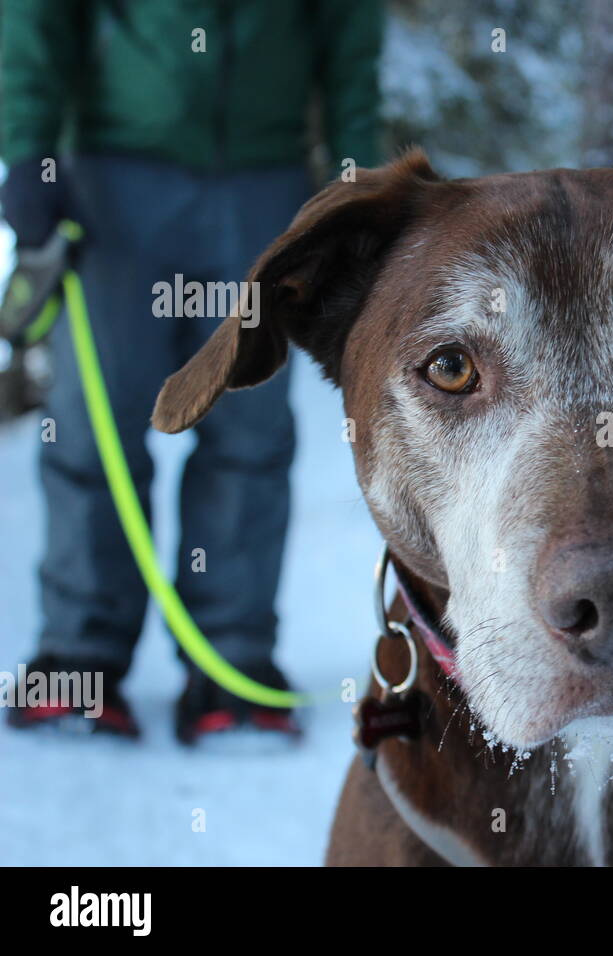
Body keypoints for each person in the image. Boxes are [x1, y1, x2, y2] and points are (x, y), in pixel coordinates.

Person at [0, 0, 382, 743]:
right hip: (112, 175)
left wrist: (358, 186)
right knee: (93, 430)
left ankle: (232, 667)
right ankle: (78, 658)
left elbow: (350, 44)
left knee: (250, 430)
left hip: (265, 184)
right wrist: (27, 152)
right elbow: (35, 18)